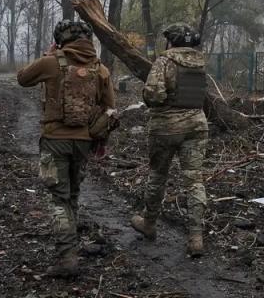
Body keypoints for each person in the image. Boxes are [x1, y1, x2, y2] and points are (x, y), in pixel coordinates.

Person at [17, 20, 114, 277]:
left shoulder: (52, 62)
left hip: (54, 140)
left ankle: (67, 257)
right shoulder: (100, 69)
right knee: (73, 194)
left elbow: (22, 78)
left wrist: (49, 55)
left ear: (61, 40)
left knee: (59, 198)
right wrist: (99, 138)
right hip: (84, 142)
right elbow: (110, 107)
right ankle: (71, 246)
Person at [130, 22, 209, 257]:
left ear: (171, 41)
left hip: (166, 126)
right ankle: (196, 237)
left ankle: (149, 222)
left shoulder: (164, 61)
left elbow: (153, 95)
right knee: (194, 180)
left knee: (158, 175)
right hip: (197, 125)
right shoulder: (201, 63)